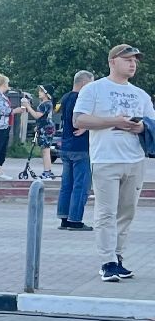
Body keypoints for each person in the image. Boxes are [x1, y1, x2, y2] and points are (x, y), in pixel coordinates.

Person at [73, 45, 153, 283]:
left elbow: (151, 121)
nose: (132, 64)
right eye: (127, 59)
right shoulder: (95, 89)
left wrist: (142, 127)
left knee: (127, 211)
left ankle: (118, 257)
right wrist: (113, 121)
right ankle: (107, 261)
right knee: (106, 211)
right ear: (112, 61)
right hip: (106, 159)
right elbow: (79, 119)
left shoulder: (141, 94)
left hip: (135, 160)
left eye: (135, 61)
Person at [57, 71, 94, 231]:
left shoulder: (65, 97)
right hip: (81, 147)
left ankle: (64, 218)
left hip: (66, 146)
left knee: (66, 184)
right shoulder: (82, 99)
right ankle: (75, 220)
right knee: (81, 185)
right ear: (85, 83)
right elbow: (80, 121)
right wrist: (86, 126)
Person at [18, 85, 57, 179]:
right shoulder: (45, 104)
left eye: (41, 91)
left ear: (47, 94)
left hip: (46, 129)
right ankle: (47, 171)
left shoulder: (45, 104)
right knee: (44, 150)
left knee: (46, 150)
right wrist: (38, 126)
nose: (39, 93)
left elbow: (36, 115)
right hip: (44, 128)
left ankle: (47, 172)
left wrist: (28, 106)